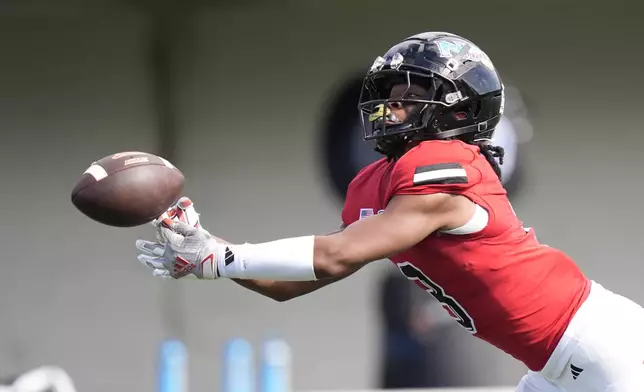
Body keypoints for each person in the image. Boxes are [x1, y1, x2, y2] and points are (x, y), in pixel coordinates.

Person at [136, 32, 644, 391]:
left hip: (604, 350)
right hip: (555, 366)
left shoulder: (448, 163)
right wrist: (209, 251)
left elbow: (333, 256)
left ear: (460, 108)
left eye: (411, 96)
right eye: (390, 96)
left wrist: (219, 258)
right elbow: (296, 282)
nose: (391, 108)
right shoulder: (378, 182)